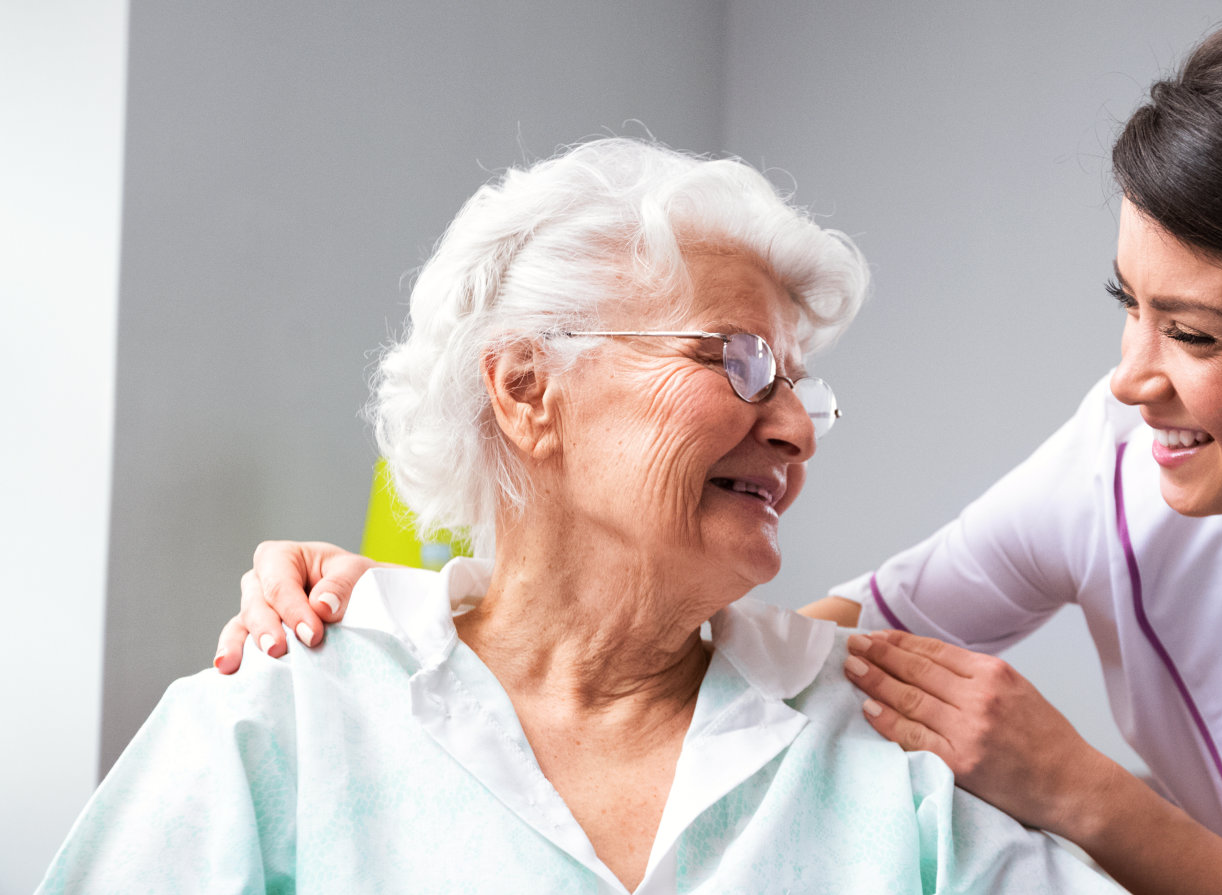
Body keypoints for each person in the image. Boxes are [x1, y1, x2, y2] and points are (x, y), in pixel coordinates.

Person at [212, 1, 1222, 892]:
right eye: (1130, 305)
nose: (1131, 379)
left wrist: (1082, 788)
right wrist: (445, 622)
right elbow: (840, 641)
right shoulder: (1119, 460)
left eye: (1200, 335)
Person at [40, 138, 1120, 895]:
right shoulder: (278, 721)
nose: (797, 428)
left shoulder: (888, 746)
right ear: (525, 390)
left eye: (802, 386)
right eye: (739, 361)